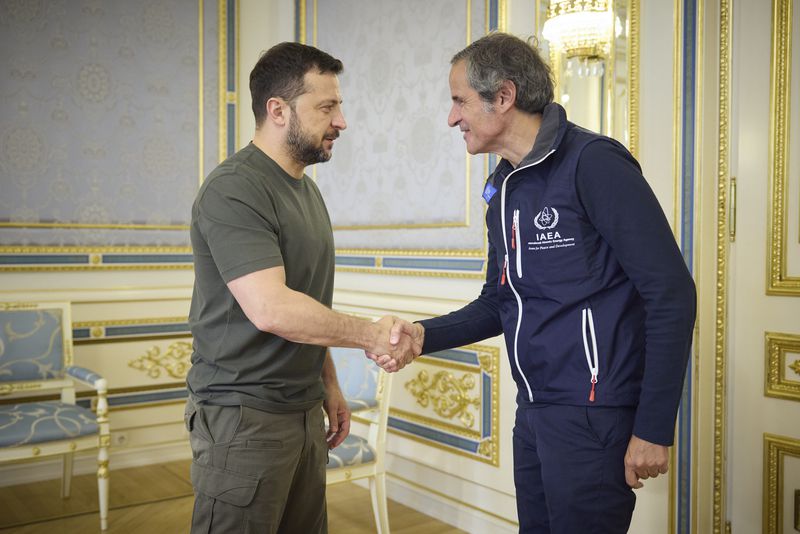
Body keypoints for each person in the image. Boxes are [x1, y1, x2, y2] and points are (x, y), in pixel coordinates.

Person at [377, 33, 696, 533]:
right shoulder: (503, 188)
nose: (451, 117)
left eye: (459, 100)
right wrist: (423, 334)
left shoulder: (594, 163)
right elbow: (498, 302)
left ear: (503, 97)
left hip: (595, 413)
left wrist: (653, 428)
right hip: (535, 411)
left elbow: (671, 294)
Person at [185, 42, 419, 534]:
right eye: (327, 107)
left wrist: (328, 384)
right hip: (242, 418)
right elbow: (271, 309)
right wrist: (372, 336)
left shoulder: (306, 189)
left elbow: (306, 304)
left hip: (301, 410)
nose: (342, 121)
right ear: (278, 111)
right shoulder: (235, 189)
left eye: (338, 105)